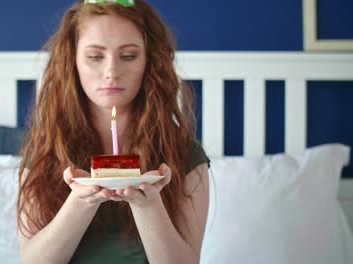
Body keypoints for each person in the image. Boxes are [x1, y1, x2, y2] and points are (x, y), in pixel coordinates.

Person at [16, 0, 210, 263]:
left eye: (128, 56)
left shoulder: (185, 155)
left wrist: (148, 205)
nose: (111, 72)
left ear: (149, 61)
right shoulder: (46, 149)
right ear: (72, 61)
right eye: (95, 57)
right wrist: (82, 201)